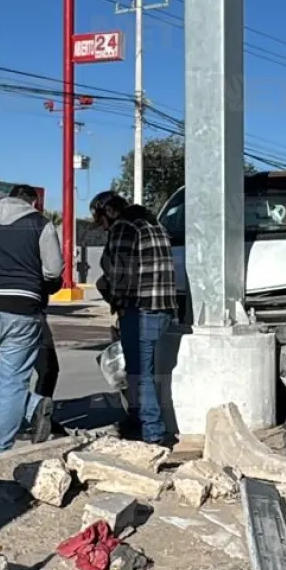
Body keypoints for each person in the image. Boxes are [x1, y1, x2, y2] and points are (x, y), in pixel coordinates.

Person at [0, 184, 63, 453]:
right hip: (22, 308)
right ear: (31, 201)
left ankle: (30, 406)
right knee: (13, 382)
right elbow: (53, 271)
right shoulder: (40, 224)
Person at [91, 191, 177, 447]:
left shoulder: (124, 226)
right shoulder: (153, 223)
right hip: (163, 308)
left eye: (101, 221)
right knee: (148, 372)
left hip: (140, 310)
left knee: (139, 374)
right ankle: (140, 420)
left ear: (108, 212)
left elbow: (120, 273)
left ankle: (151, 434)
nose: (103, 228)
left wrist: (118, 304)